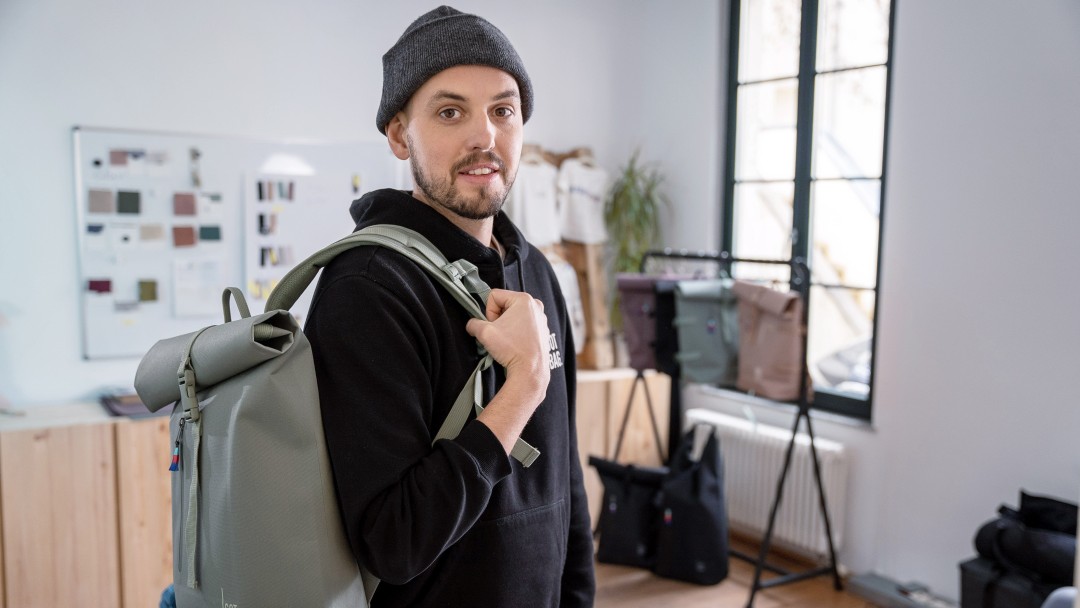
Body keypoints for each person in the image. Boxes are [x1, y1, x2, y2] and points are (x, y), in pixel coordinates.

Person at [304, 6, 596, 608]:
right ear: (398, 133)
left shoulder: (538, 271)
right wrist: (522, 389)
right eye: (449, 111)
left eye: (503, 111)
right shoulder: (367, 288)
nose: (484, 135)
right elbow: (392, 541)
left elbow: (563, 480)